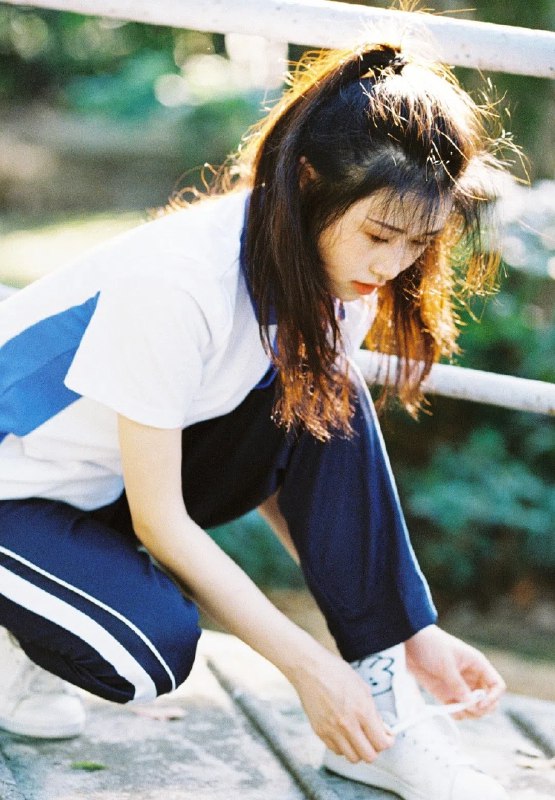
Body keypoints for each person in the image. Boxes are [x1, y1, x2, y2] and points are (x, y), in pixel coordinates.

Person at [0, 41, 513, 800]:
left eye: (417, 242)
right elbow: (159, 523)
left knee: (326, 400)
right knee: (146, 648)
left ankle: (383, 714)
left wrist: (404, 636)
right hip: (17, 489)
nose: (393, 265)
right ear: (308, 182)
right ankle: (24, 630)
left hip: (93, 488)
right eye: (380, 235)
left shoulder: (333, 279)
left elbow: (296, 466)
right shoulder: (180, 282)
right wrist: (308, 667)